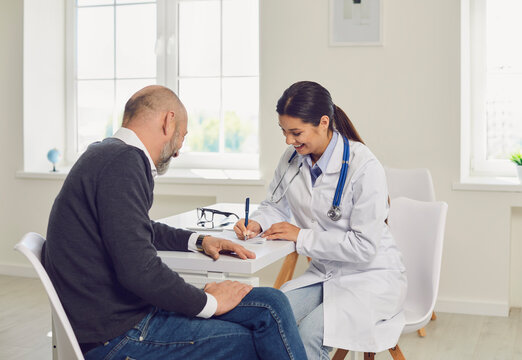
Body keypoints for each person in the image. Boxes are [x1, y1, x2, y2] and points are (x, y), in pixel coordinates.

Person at [42, 85, 306, 360]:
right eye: (183, 135)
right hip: (119, 337)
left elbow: (138, 229)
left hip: (121, 316)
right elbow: (139, 271)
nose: (179, 149)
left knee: (272, 303)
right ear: (168, 122)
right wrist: (210, 302)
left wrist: (200, 241)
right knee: (258, 338)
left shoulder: (106, 153)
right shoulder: (124, 163)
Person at [234, 81, 407, 359]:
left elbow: (364, 247)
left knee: (309, 336)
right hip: (325, 274)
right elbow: (274, 206)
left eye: (296, 132)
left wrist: (300, 236)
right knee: (268, 317)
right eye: (284, 132)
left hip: (370, 278)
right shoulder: (292, 158)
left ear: (323, 122)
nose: (289, 141)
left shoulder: (364, 166)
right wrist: (258, 223)